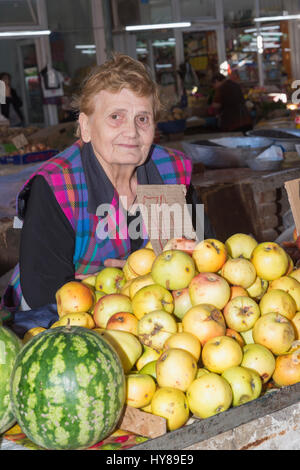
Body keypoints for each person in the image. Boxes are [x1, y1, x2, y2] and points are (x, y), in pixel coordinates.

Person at [2, 53, 214, 315]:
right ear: (86, 127)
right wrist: (108, 289)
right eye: (116, 116)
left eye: (143, 118)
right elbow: (43, 296)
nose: (132, 131)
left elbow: (206, 256)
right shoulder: (58, 186)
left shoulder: (168, 172)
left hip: (148, 317)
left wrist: (137, 280)